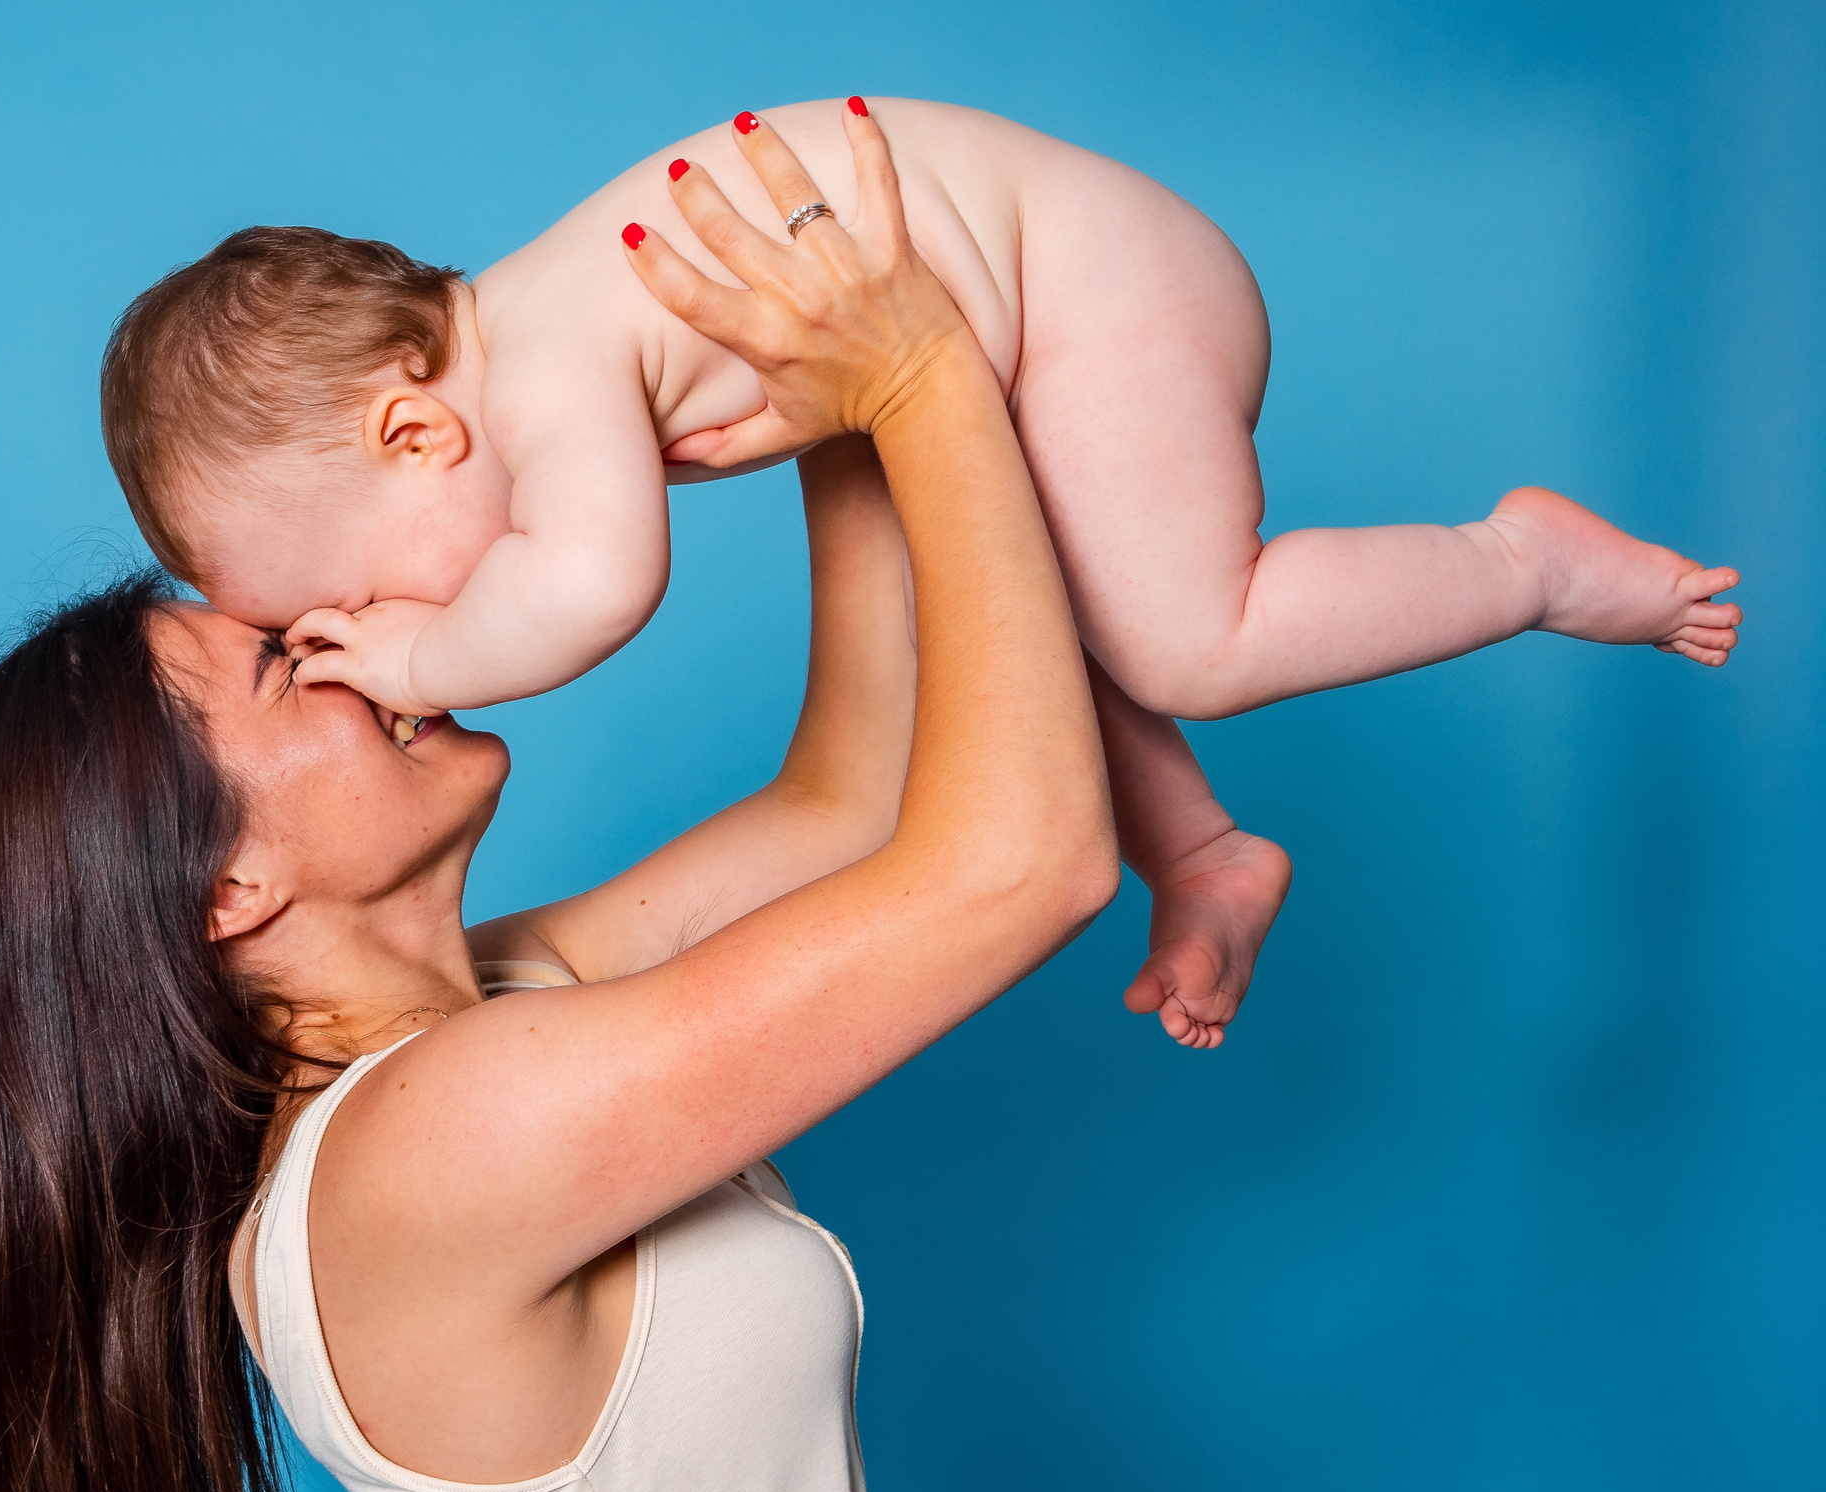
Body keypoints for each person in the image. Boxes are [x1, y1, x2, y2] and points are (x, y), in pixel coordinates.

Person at [0, 114, 1110, 1492]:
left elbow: (850, 806)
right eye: (296, 656)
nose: (382, 624)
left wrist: (820, 382)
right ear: (227, 886)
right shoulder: (432, 1142)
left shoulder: (495, 1011)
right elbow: (1026, 865)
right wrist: (920, 381)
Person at [99, 97, 1747, 1048]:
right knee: (1033, 607)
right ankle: (1207, 852)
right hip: (1020, 308)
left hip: (1091, 284)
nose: (370, 642)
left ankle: (1523, 561)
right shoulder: (531, 353)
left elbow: (600, 588)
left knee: (1189, 638)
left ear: (410, 433)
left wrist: (418, 659)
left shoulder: (541, 361)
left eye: (354, 601)